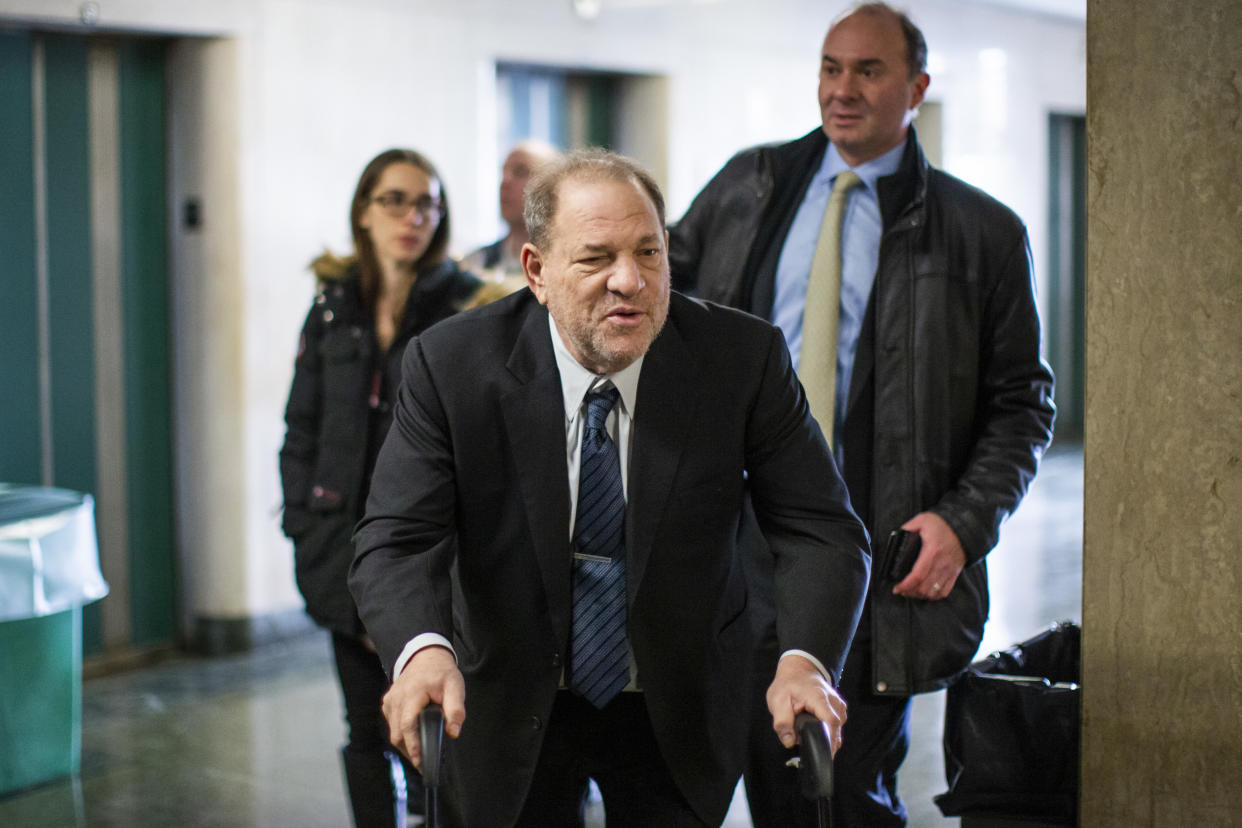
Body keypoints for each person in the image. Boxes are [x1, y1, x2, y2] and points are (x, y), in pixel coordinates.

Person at [349, 149, 871, 827]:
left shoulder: (740, 360)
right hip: (507, 690)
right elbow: (397, 535)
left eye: (648, 253)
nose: (630, 280)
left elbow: (820, 525)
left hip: (675, 693)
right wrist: (421, 649)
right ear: (536, 270)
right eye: (596, 258)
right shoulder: (452, 366)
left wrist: (806, 661)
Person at [668, 4, 1056, 826]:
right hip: (735, 554)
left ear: (916, 87)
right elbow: (659, 306)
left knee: (841, 797)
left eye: (868, 71)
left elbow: (1023, 402)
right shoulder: (749, 187)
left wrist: (963, 522)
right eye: (830, 68)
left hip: (874, 565)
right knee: (729, 782)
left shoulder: (982, 233)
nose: (842, 90)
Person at [279, 148, 482, 828]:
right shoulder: (334, 307)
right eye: (394, 200)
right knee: (364, 727)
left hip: (431, 553)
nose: (411, 216)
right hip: (338, 544)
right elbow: (300, 427)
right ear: (364, 212)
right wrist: (304, 525)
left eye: (427, 202)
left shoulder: (466, 306)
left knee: (439, 730)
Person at [461, 138, 562, 285]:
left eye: (520, 172)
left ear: (553, 189)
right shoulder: (474, 265)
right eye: (504, 172)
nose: (505, 181)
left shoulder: (567, 265)